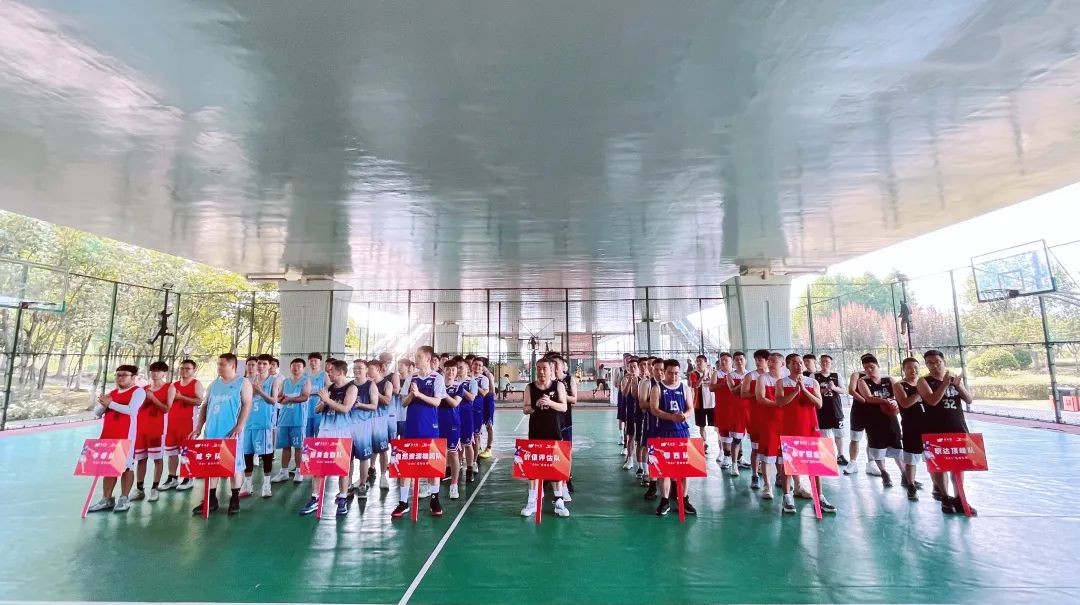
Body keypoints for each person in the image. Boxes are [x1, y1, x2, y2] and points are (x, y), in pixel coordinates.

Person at [190, 354, 253, 516]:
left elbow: (247, 405)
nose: (219, 367)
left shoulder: (243, 383)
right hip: (212, 432)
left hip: (231, 433)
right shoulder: (214, 384)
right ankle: (211, 499)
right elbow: (204, 406)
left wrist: (240, 426)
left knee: (234, 466)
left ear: (232, 366)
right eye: (218, 364)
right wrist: (198, 428)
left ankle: (235, 498)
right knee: (212, 465)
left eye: (222, 364)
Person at [916, 349, 976, 515]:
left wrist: (957, 385)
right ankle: (945, 498)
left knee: (958, 466)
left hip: (957, 427)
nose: (935, 366)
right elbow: (932, 401)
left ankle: (959, 498)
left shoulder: (954, 379)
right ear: (926, 365)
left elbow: (969, 399)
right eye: (930, 363)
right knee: (940, 466)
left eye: (938, 362)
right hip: (935, 430)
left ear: (944, 362)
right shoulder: (923, 381)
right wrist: (944, 383)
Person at [776, 354, 836, 514]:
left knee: (814, 464)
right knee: (788, 464)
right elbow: (780, 402)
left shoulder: (812, 382)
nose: (798, 365)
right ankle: (787, 496)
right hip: (790, 427)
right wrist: (795, 391)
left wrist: (803, 390)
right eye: (794, 363)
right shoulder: (781, 382)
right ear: (788, 365)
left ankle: (819, 497)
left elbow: (819, 404)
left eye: (800, 362)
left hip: (810, 427)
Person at [393, 346, 448, 519]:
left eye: (418, 357)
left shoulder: (437, 378)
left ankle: (434, 499)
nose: (415, 359)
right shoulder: (411, 377)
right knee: (407, 464)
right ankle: (403, 502)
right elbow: (404, 403)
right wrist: (412, 394)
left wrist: (419, 394)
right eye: (415, 356)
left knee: (432, 464)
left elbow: (437, 402)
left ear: (428, 359)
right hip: (412, 426)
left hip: (430, 426)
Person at [299, 359, 358, 517]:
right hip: (325, 430)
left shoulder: (351, 388)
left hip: (341, 431)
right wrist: (323, 403)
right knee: (318, 466)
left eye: (331, 370)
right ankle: (315, 498)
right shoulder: (328, 388)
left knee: (342, 468)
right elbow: (317, 409)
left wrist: (328, 400)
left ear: (340, 372)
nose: (329, 373)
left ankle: (343, 497)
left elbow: (345, 409)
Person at [87, 365, 145, 513]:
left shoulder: (138, 391)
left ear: (133, 377)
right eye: (118, 375)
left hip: (126, 435)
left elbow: (131, 410)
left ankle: (124, 498)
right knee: (109, 467)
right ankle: (107, 499)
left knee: (126, 468)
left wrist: (110, 403)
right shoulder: (112, 393)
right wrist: (103, 404)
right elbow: (97, 413)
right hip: (108, 434)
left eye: (124, 375)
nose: (120, 378)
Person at [520, 357, 570, 518]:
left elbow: (563, 407)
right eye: (539, 368)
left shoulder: (558, 385)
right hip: (536, 432)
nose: (541, 371)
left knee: (555, 467)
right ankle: (532, 501)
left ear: (551, 370)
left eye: (545, 368)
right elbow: (525, 409)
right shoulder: (530, 387)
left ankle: (559, 501)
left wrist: (550, 402)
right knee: (533, 468)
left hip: (554, 431)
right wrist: (535, 406)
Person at [650, 359, 697, 517]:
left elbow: (690, 408)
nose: (674, 376)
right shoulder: (657, 388)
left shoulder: (684, 387)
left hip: (682, 432)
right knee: (664, 470)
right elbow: (654, 409)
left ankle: (684, 499)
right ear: (664, 372)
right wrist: (671, 417)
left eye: (676, 373)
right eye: (670, 373)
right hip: (663, 432)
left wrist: (684, 416)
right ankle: (664, 501)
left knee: (685, 469)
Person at [855, 354, 905, 487]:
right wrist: (886, 401)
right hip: (873, 418)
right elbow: (868, 398)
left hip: (890, 417)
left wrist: (895, 402)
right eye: (866, 368)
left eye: (872, 367)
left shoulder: (889, 379)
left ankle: (905, 474)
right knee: (877, 447)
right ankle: (884, 473)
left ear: (878, 366)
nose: (869, 370)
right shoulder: (862, 381)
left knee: (896, 445)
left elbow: (898, 395)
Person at [161, 359, 203, 492]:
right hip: (172, 423)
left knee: (186, 452)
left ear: (194, 370)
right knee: (172, 452)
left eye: (187, 368)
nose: (184, 371)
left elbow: (199, 401)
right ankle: (172, 477)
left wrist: (181, 397)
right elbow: (167, 403)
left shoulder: (196, 384)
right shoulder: (174, 385)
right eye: (182, 368)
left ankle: (188, 477)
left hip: (188, 423)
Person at [133, 361, 172, 503]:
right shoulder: (143, 389)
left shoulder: (169, 388)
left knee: (157, 458)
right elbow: (137, 407)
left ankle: (155, 488)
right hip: (142, 428)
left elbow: (166, 408)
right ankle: (139, 489)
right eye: (153, 371)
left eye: (159, 371)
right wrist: (145, 399)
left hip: (158, 428)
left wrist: (153, 398)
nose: (155, 373)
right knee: (141, 459)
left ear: (164, 373)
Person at [241, 354, 280, 498]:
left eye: (264, 364)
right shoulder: (247, 381)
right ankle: (247, 483)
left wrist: (260, 391)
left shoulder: (273, 381)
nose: (261, 366)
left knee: (266, 455)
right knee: (247, 454)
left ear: (270, 365)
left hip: (263, 424)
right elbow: (242, 400)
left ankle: (266, 484)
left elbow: (273, 400)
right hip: (247, 423)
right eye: (259, 363)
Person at [344, 359, 379, 503]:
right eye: (355, 368)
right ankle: (348, 485)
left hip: (363, 426)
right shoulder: (349, 385)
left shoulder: (371, 385)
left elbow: (374, 406)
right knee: (348, 457)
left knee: (364, 458)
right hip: (348, 426)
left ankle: (363, 484)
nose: (357, 370)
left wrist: (360, 405)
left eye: (360, 368)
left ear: (366, 370)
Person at [271, 358, 310, 484]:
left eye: (299, 366)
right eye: (293, 365)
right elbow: (279, 396)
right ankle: (284, 472)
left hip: (298, 420)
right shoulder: (285, 381)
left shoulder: (305, 381)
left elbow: (305, 397)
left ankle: (299, 471)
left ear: (303, 368)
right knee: (285, 447)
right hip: (284, 419)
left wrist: (289, 399)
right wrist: (281, 399)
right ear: (290, 367)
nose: (296, 368)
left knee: (299, 447)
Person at [753, 352, 786, 501]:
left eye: (775, 361)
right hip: (769, 422)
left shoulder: (787, 379)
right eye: (770, 361)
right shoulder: (763, 378)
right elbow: (760, 398)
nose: (771, 363)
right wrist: (778, 404)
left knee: (783, 455)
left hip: (785, 422)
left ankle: (783, 479)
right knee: (767, 455)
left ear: (782, 364)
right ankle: (767, 486)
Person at [893, 357, 927, 501]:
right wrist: (920, 392)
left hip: (928, 426)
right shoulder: (899, 385)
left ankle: (938, 487)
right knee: (911, 458)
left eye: (916, 367)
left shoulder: (924, 382)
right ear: (904, 370)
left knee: (931, 457)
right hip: (911, 426)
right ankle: (911, 485)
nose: (913, 370)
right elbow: (905, 403)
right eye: (909, 368)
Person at [742, 349, 770, 490]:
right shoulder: (750, 376)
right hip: (755, 416)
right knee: (756, 448)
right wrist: (758, 395)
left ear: (767, 361)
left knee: (774, 448)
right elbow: (743, 394)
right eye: (756, 360)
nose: (757, 362)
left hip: (771, 417)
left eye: (760, 360)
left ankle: (778, 476)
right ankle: (754, 475)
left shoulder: (775, 376)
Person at [437, 358, 463, 500]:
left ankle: (454, 484)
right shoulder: (437, 383)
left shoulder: (459, 387)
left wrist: (444, 393)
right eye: (448, 369)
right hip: (436, 423)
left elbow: (454, 403)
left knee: (453, 454)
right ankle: (433, 484)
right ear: (444, 370)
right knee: (437, 453)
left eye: (453, 370)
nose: (451, 372)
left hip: (453, 423)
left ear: (456, 372)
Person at [844, 361, 873, 476]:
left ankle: (871, 463)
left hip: (873, 411)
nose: (869, 368)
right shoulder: (857, 375)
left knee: (871, 437)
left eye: (871, 365)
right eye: (866, 365)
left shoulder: (879, 377)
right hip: (858, 411)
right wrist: (865, 400)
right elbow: (851, 390)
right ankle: (852, 462)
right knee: (855, 438)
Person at [371, 359, 394, 490]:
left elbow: (387, 400)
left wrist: (375, 392)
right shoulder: (366, 383)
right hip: (367, 420)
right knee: (369, 448)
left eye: (371, 369)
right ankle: (370, 469)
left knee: (382, 449)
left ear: (378, 369)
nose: (368, 371)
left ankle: (383, 475)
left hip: (380, 420)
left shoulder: (387, 384)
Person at [454, 357, 478, 483]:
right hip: (454, 415)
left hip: (467, 415)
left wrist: (460, 389)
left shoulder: (471, 382)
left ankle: (469, 469)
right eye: (457, 367)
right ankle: (456, 468)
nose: (458, 370)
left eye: (461, 367)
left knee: (468, 444)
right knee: (456, 445)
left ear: (467, 368)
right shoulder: (452, 381)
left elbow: (472, 397)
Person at [711, 353, 734, 469]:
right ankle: (726, 456)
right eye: (722, 360)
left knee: (738, 434)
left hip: (736, 409)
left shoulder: (736, 373)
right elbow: (711, 388)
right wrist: (722, 384)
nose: (723, 362)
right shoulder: (717, 374)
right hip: (722, 408)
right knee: (724, 434)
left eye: (726, 360)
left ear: (731, 361)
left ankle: (739, 457)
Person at [690, 355, 714, 458]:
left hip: (712, 403)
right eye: (697, 361)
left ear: (705, 362)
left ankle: (722, 450)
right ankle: (705, 443)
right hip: (699, 404)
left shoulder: (713, 373)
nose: (698, 363)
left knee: (717, 426)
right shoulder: (694, 374)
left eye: (700, 361)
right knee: (702, 425)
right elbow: (695, 385)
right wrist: (703, 376)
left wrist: (709, 375)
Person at [304, 353, 328, 450]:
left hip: (319, 408)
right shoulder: (305, 375)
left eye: (315, 361)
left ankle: (319, 455)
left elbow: (329, 387)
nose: (313, 363)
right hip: (306, 408)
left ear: (320, 362)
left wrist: (319, 393)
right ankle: (307, 456)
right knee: (307, 435)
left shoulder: (324, 374)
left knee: (319, 432)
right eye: (311, 361)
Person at [476, 357, 496, 460]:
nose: (478, 366)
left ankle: (489, 448)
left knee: (489, 426)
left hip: (488, 402)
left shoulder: (488, 376)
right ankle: (478, 447)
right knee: (477, 426)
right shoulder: (474, 375)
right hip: (479, 403)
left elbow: (492, 392)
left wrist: (481, 390)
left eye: (480, 365)